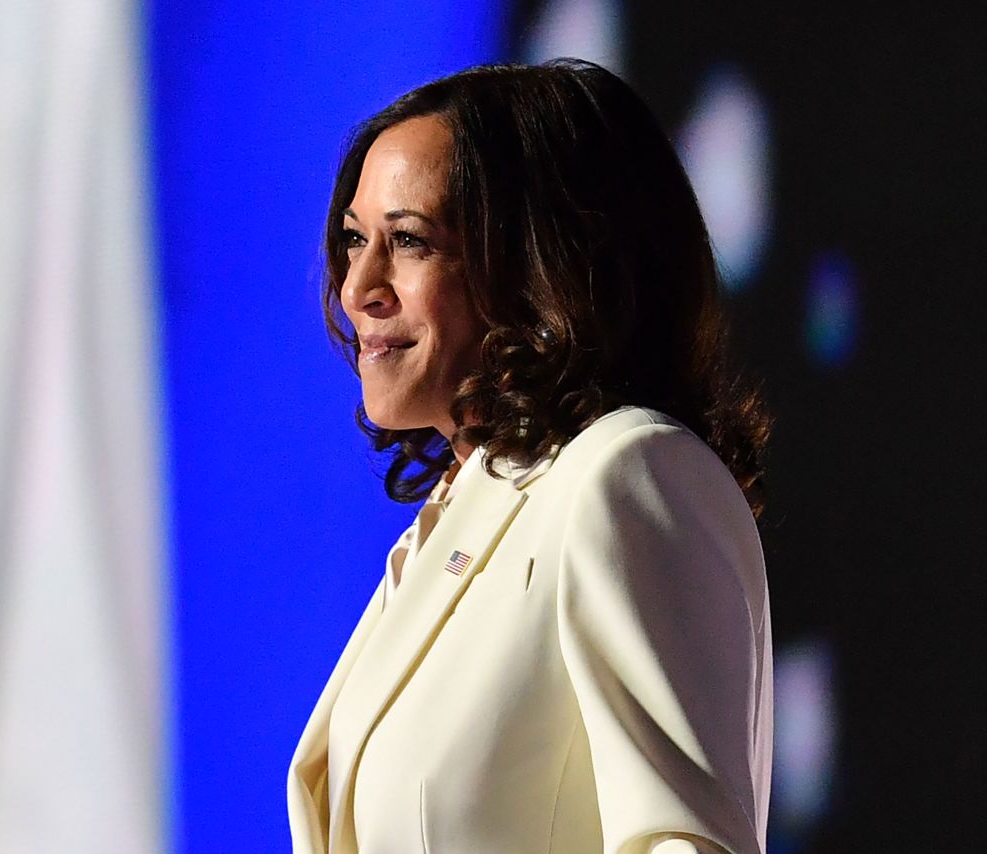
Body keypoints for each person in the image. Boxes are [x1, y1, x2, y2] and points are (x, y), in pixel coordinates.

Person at [287, 59, 773, 854]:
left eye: (408, 241)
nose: (358, 286)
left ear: (540, 268)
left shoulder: (626, 476)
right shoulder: (458, 513)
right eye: (353, 240)